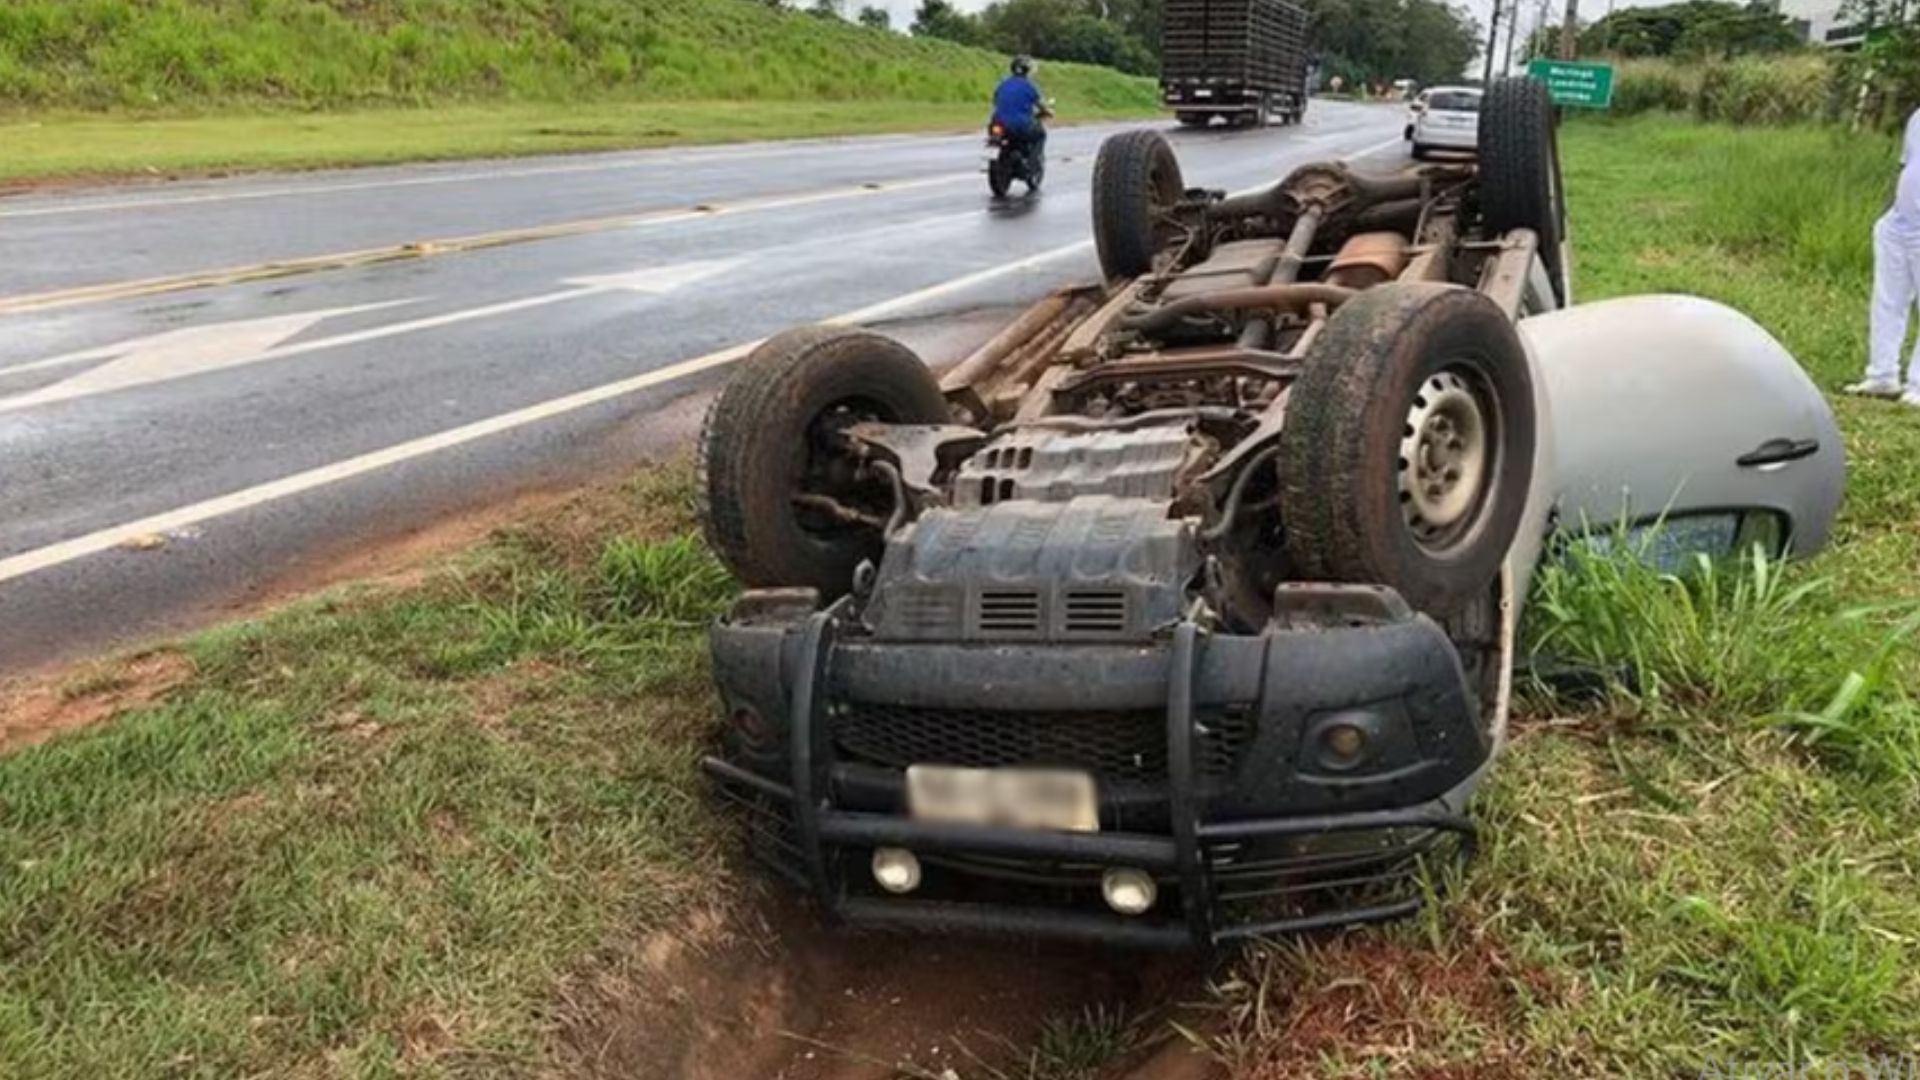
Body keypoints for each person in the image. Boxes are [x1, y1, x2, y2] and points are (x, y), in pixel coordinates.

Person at [1849, 105, 1920, 407]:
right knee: (1888, 300)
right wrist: (1891, 212)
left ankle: (1917, 384)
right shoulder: (1918, 117)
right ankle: (1882, 375)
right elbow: (1906, 166)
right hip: (1899, 223)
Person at [991, 55, 1048, 159]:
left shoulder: (1002, 84)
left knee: (995, 139)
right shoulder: (1030, 86)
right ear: (1027, 70)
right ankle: (1034, 162)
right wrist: (1047, 111)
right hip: (1022, 125)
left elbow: (995, 102)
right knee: (1041, 134)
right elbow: (1042, 106)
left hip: (998, 123)